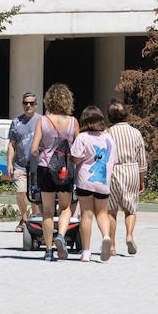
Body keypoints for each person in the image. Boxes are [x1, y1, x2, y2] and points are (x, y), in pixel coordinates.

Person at [30, 83, 78, 261]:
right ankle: (61, 236)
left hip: (45, 168)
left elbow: (33, 149)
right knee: (65, 208)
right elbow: (78, 148)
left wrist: (42, 155)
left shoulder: (42, 121)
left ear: (48, 100)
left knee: (48, 212)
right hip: (65, 169)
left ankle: (49, 251)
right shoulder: (73, 122)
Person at [71, 105, 116, 263]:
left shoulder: (82, 137)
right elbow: (113, 160)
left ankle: (86, 252)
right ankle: (106, 237)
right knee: (102, 213)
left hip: (85, 181)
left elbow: (76, 158)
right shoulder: (109, 138)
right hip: (103, 182)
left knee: (86, 215)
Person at [106, 99, 146, 256]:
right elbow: (142, 160)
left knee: (111, 211)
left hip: (112, 171)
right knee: (130, 209)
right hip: (131, 170)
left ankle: (112, 246)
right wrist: (141, 180)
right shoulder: (135, 133)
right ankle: (129, 235)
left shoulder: (107, 133)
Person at [7, 92, 39, 230]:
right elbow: (11, 144)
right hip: (20, 164)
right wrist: (9, 163)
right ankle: (24, 218)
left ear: (36, 105)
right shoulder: (16, 122)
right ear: (22, 104)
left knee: (36, 194)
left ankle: (36, 219)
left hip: (37, 165)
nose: (28, 105)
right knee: (20, 192)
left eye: (31, 103)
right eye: (26, 103)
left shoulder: (41, 121)